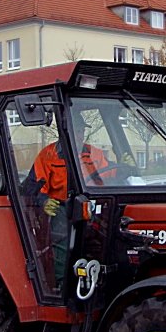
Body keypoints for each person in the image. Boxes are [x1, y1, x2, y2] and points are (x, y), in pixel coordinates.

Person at [28, 115, 130, 285]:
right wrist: (43, 201)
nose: (79, 134)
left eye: (81, 130)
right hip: (63, 208)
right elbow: (32, 187)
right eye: (75, 130)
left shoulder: (94, 154)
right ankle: (62, 283)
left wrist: (124, 169)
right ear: (64, 131)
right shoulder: (48, 155)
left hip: (92, 206)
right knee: (62, 238)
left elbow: (109, 176)